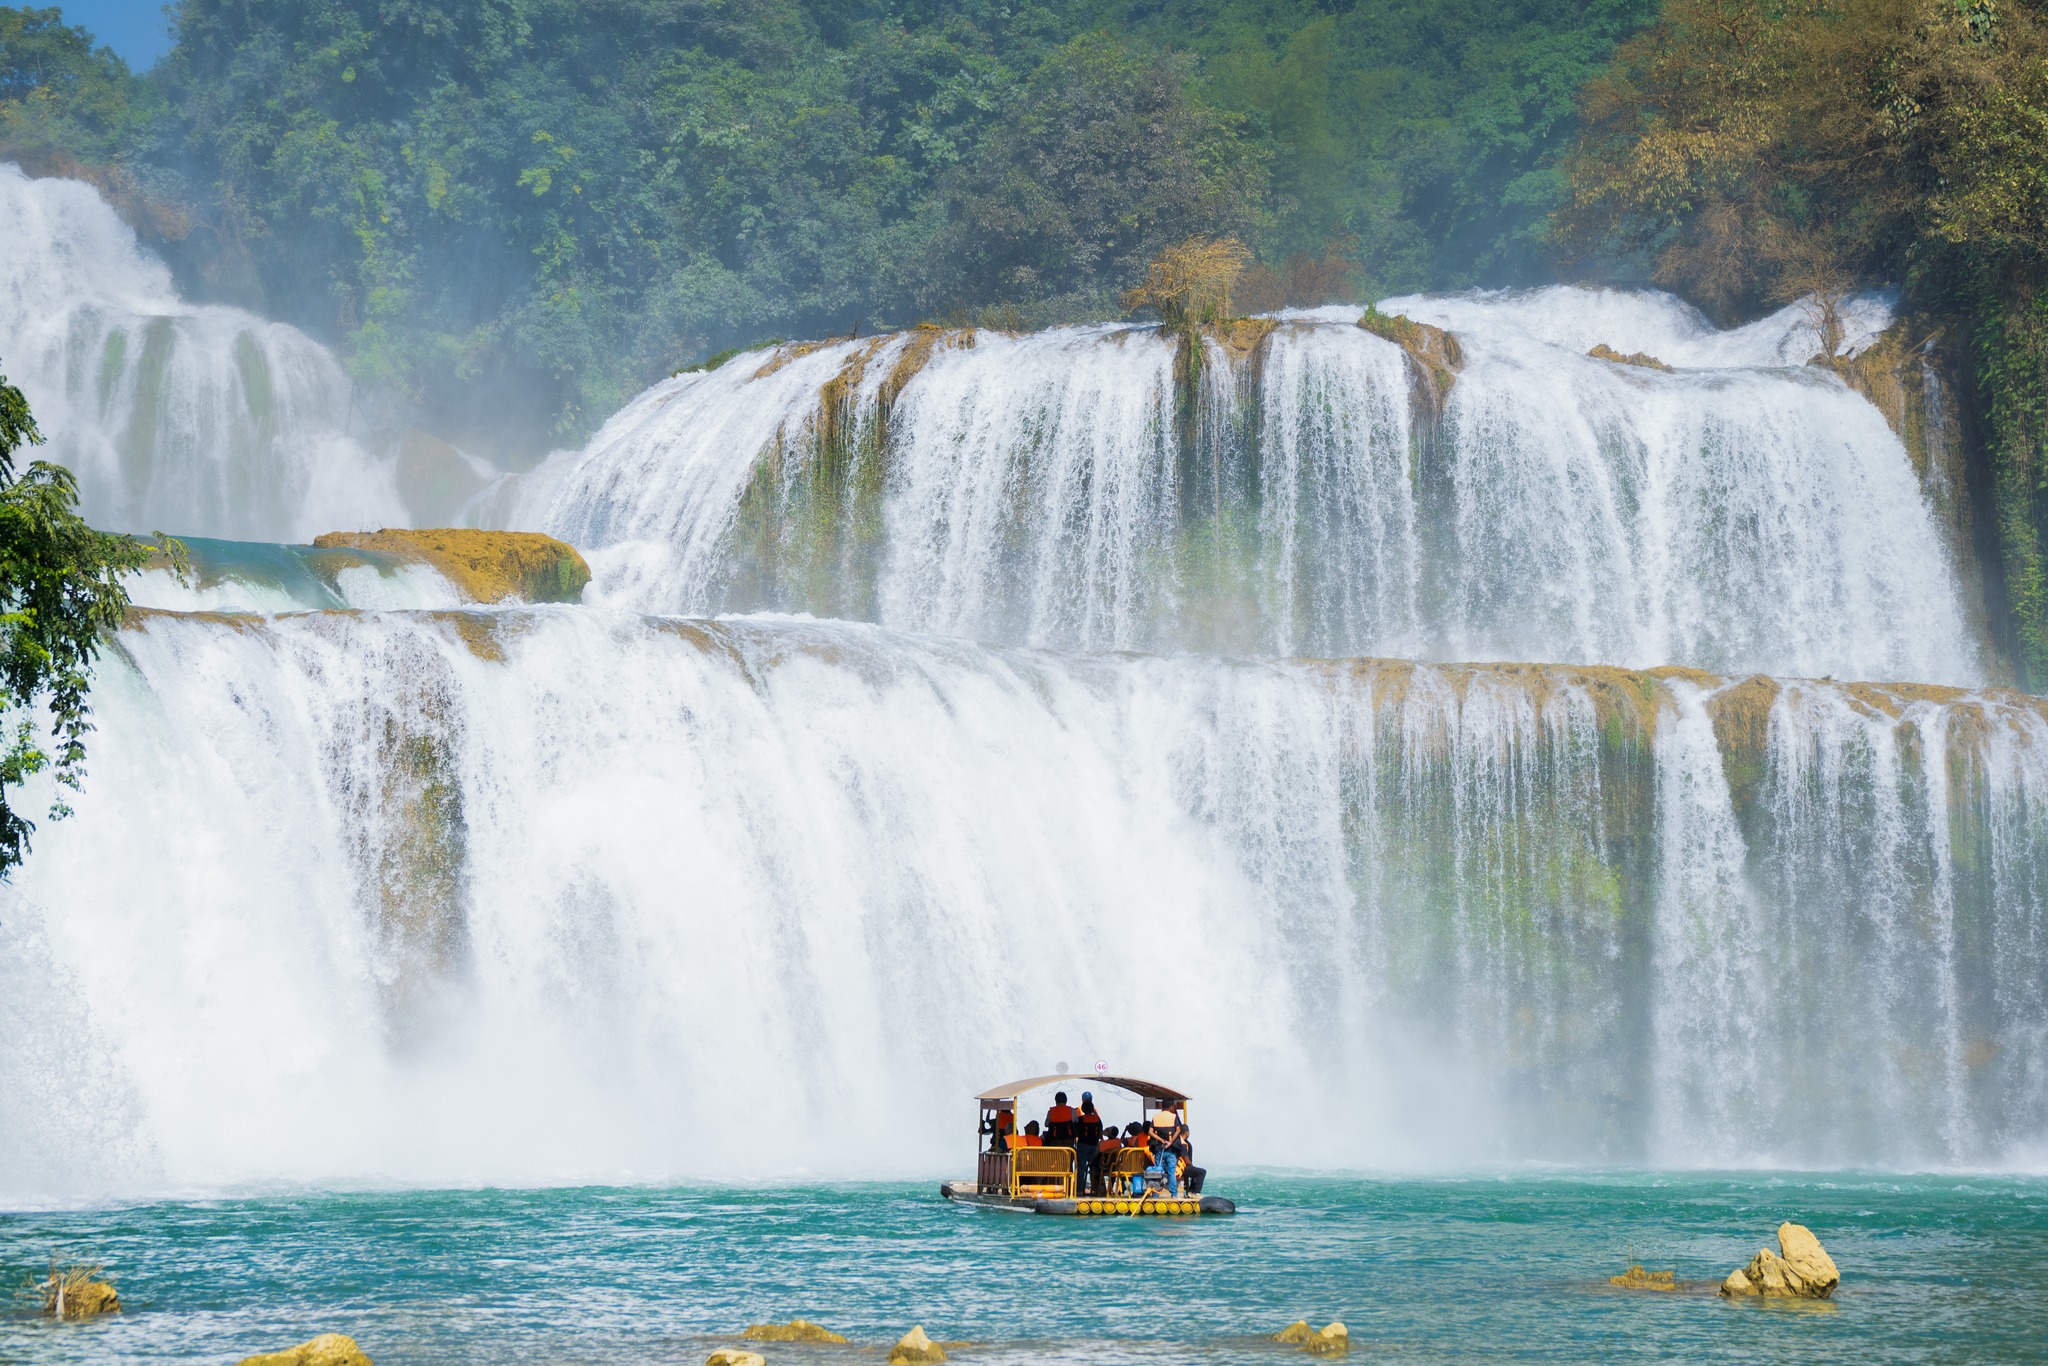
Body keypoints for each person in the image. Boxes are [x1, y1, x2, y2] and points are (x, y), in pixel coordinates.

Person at [1074, 1092, 1105, 1195]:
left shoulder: (1080, 1120)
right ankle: (1096, 1189)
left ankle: (1079, 1190)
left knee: (1081, 1168)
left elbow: (1076, 1132)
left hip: (1083, 1145)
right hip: (1094, 1146)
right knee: (1094, 1167)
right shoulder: (1098, 1120)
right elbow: (1100, 1131)